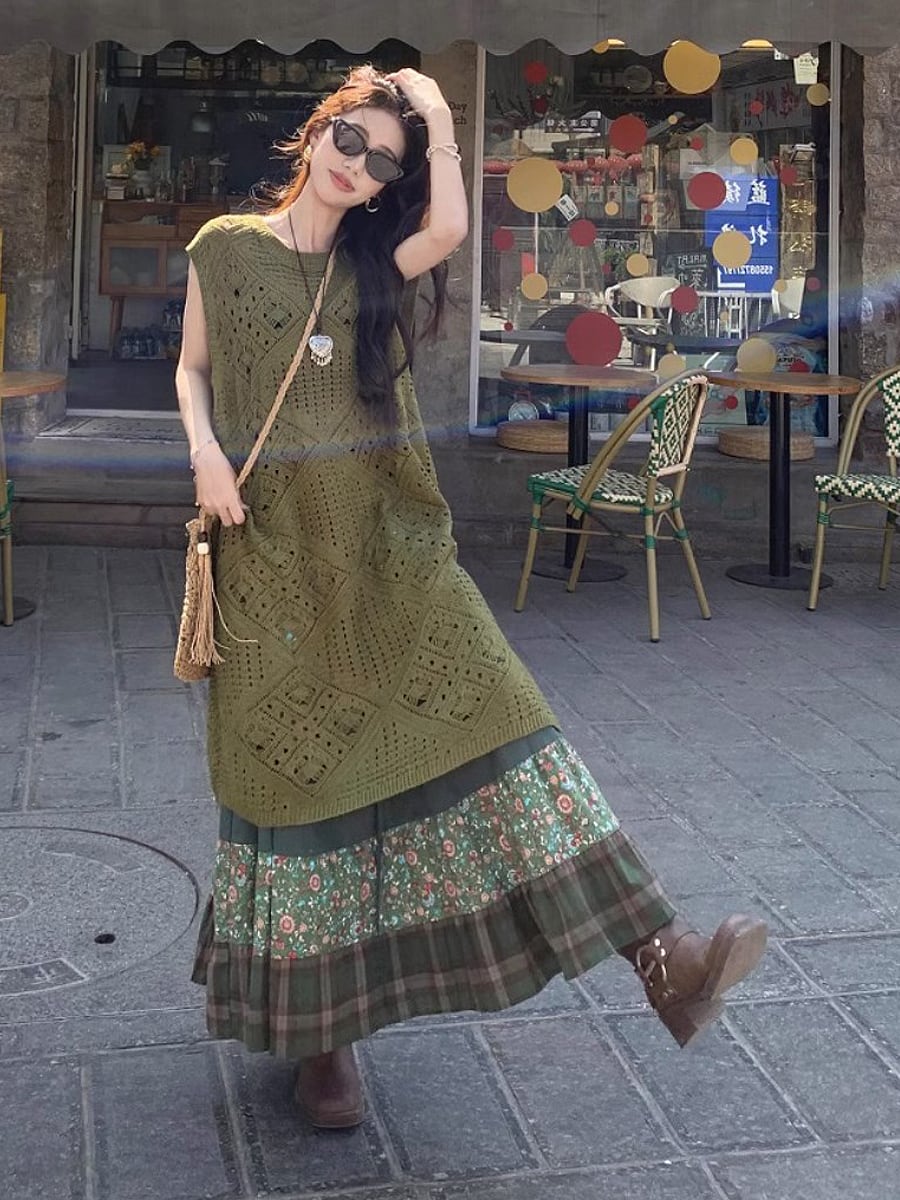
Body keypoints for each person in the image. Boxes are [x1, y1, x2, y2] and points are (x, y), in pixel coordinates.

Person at [176, 65, 767, 1131]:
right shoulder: (224, 247)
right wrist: (205, 454)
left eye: (381, 161)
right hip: (271, 558)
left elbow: (449, 224)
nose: (358, 166)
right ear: (317, 132)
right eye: (350, 140)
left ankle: (665, 960)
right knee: (297, 785)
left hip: (389, 551)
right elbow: (191, 370)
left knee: (511, 730)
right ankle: (321, 1042)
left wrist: (439, 116)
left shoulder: (374, 262)